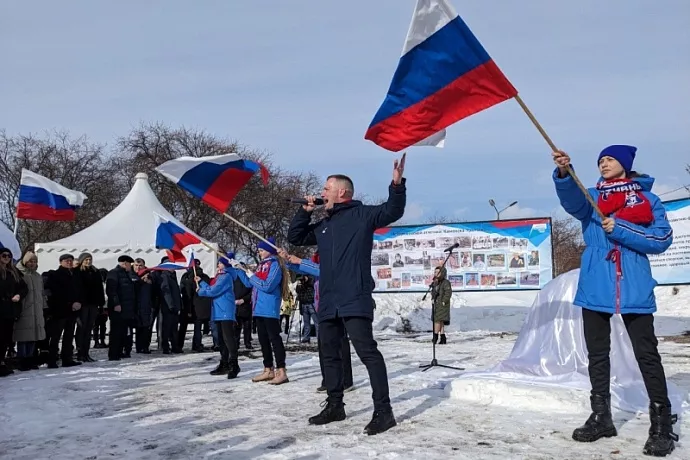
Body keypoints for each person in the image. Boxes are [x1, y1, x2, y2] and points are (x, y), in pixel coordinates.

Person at [553, 146, 677, 457]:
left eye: (609, 159)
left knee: (646, 354)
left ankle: (661, 424)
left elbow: (661, 239)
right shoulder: (591, 196)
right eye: (600, 161)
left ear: (624, 164)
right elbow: (571, 202)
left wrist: (620, 228)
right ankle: (601, 417)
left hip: (633, 281)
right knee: (597, 354)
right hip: (596, 282)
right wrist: (565, 174)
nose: (603, 164)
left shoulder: (649, 200)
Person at [287, 153, 406, 435]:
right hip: (328, 299)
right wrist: (304, 211)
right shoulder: (325, 225)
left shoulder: (363, 215)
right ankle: (335, 405)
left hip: (354, 296)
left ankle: (383, 411)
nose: (321, 193)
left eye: (325, 189)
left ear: (341, 192)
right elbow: (296, 238)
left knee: (367, 352)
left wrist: (397, 185)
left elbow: (393, 210)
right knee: (329, 353)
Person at [280, 249, 353, 393]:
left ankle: (346, 380)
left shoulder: (337, 254)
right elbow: (308, 270)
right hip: (322, 308)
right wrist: (289, 260)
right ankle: (328, 379)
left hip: (338, 306)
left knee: (340, 345)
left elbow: (322, 271)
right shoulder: (318, 256)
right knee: (324, 346)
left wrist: (300, 261)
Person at [236, 238, 290, 385]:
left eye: (262, 250)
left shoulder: (275, 265)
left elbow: (267, 286)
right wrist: (240, 270)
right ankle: (268, 369)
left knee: (274, 339)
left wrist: (251, 276)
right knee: (263, 340)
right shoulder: (261, 265)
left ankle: (281, 370)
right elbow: (250, 283)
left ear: (270, 250)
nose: (259, 253)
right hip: (258, 308)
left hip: (269, 308)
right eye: (259, 250)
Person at [198, 253, 242, 379]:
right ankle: (224, 363)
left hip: (225, 310)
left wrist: (200, 290)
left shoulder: (226, 276)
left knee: (228, 338)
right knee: (221, 340)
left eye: (221, 263)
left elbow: (213, 291)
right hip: (218, 310)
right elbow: (211, 288)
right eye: (218, 263)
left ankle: (234, 364)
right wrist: (201, 282)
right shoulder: (220, 276)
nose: (218, 265)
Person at [45, 254, 83, 368]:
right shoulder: (55, 275)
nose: (69, 263)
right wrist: (70, 303)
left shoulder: (75, 275)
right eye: (67, 261)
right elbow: (56, 293)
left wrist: (78, 302)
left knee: (69, 335)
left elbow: (79, 290)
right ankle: (52, 359)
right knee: (56, 336)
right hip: (60, 310)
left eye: (71, 261)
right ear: (61, 262)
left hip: (73, 310)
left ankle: (67, 358)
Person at [13, 251, 45, 372]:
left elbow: (41, 293)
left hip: (36, 309)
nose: (32, 263)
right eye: (30, 261)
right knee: (23, 337)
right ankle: (22, 360)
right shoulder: (20, 274)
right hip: (24, 309)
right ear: (25, 262)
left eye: (34, 261)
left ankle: (30, 359)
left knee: (33, 336)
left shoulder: (37, 276)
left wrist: (44, 307)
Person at [105, 255, 140, 361]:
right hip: (118, 308)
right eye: (130, 264)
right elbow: (111, 290)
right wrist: (116, 304)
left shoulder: (127, 274)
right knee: (116, 332)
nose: (131, 266)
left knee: (123, 332)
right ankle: (114, 354)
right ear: (125, 263)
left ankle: (120, 352)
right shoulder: (114, 273)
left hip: (127, 308)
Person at [0, 248, 27, 376]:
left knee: (7, 337)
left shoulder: (13, 271)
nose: (6, 258)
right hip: (1, 306)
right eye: (4, 255)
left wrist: (18, 295)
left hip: (10, 309)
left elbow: (23, 287)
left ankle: (2, 361)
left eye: (9, 256)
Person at [76, 253, 106, 362]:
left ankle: (86, 352)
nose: (88, 261)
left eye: (90, 259)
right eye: (86, 259)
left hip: (93, 303)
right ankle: (80, 352)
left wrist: (101, 303)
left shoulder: (95, 271)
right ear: (82, 260)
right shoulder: (78, 271)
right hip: (82, 304)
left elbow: (100, 288)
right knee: (82, 328)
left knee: (89, 328)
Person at [181, 258, 211, 352]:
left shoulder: (187, 276)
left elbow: (184, 290)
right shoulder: (204, 276)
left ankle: (180, 344)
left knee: (185, 326)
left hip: (189, 304)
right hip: (200, 305)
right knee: (198, 327)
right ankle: (197, 344)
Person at [233, 264, 253, 351]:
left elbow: (252, 292)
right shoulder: (234, 278)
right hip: (235, 304)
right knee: (236, 326)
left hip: (246, 304)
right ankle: (236, 343)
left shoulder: (248, 279)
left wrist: (244, 300)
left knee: (247, 326)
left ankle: (247, 342)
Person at [431, 266, 451, 345]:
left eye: (437, 272)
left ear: (442, 273)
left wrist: (444, 301)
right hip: (436, 304)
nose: (435, 273)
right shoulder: (436, 282)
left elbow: (448, 293)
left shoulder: (445, 282)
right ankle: (443, 337)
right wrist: (433, 297)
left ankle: (435, 336)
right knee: (440, 321)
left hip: (443, 304)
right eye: (435, 272)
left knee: (437, 320)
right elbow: (433, 292)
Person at [295, 274, 317, 343]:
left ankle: (320, 337)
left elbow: (313, 285)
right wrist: (299, 285)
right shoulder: (300, 284)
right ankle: (306, 337)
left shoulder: (312, 278)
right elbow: (298, 291)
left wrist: (307, 280)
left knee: (317, 322)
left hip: (311, 303)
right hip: (304, 304)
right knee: (306, 323)